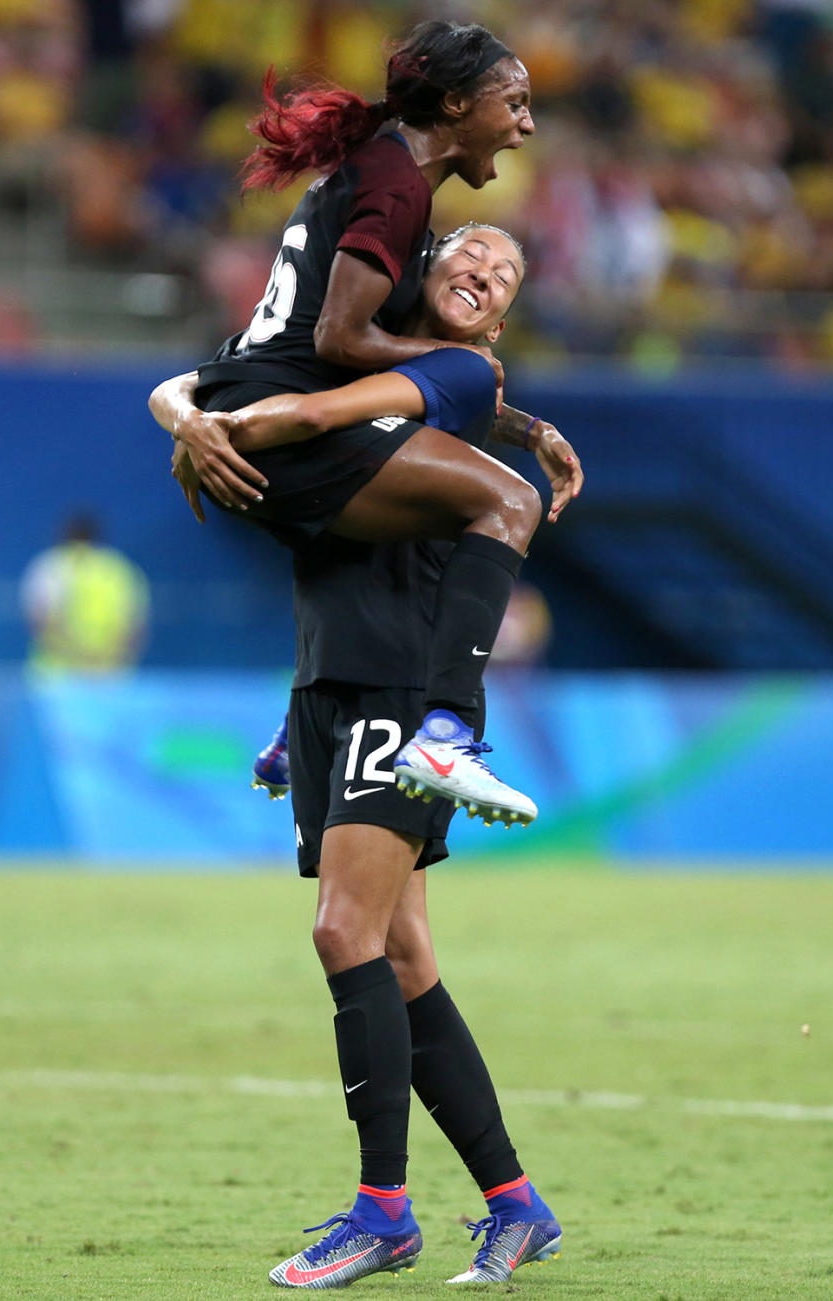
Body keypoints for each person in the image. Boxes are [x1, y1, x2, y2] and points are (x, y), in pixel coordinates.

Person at [152, 224, 568, 1290]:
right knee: (405, 956)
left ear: (504, 319)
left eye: (507, 273)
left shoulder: (454, 392)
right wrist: (301, 721)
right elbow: (198, 395)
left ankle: (383, 1211)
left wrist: (257, 419)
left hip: (400, 689)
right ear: (422, 270)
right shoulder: (348, 362)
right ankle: (516, 1204)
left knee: (345, 930)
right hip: (332, 682)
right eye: (470, 254)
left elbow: (442, 405)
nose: (484, 273)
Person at [153, 19, 581, 825]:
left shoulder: (381, 172)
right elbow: (340, 340)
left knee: (389, 537)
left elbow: (310, 344)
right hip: (276, 422)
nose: (527, 124)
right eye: (515, 104)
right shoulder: (399, 185)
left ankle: (300, 725)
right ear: (457, 104)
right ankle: (446, 735)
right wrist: (230, 423)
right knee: (508, 505)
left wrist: (196, 415)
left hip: (245, 397)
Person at [19, 512, 150, 672]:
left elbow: (41, 622)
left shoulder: (50, 565)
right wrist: (105, 658)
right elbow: (136, 627)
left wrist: (79, 657)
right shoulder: (119, 568)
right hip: (109, 674)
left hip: (57, 676)